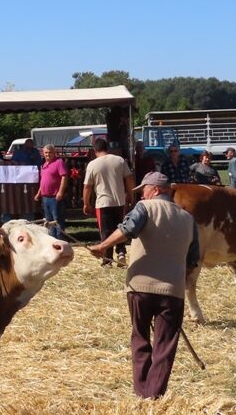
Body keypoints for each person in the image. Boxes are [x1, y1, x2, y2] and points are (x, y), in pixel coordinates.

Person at [89, 171, 200, 400]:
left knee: (140, 338)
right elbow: (192, 260)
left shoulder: (145, 209)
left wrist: (103, 247)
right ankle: (153, 397)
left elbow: (127, 229)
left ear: (156, 190)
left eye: (144, 191)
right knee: (165, 346)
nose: (142, 196)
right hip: (173, 292)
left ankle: (141, 395)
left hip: (139, 287)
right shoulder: (189, 219)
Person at [82, 138, 135, 267]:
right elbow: (129, 179)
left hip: (103, 202)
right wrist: (130, 195)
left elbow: (87, 187)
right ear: (107, 148)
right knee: (121, 228)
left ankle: (107, 259)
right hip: (119, 200)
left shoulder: (93, 165)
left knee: (105, 231)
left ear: (95, 150)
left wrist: (86, 203)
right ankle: (121, 252)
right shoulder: (119, 160)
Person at [36, 144, 70, 239]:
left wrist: (61, 192)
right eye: (46, 152)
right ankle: (52, 240)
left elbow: (64, 176)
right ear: (43, 153)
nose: (48, 154)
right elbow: (43, 181)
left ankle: (60, 240)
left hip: (55, 197)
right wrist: (38, 194)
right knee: (48, 221)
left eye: (50, 152)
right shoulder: (44, 165)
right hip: (45, 197)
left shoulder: (59, 162)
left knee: (57, 220)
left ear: (54, 153)